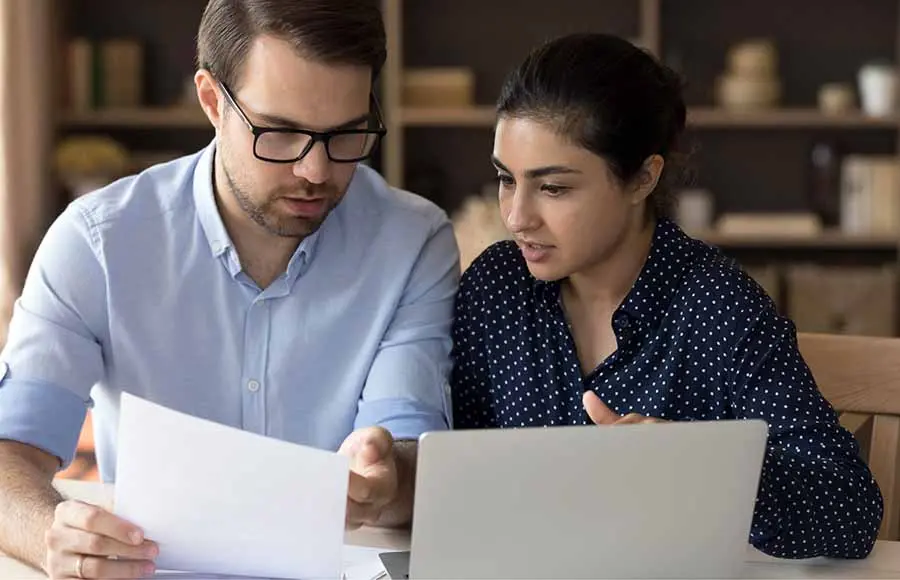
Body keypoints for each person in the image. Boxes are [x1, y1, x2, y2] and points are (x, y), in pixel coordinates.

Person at [0, 1, 459, 578]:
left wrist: (388, 475)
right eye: (282, 132)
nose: (316, 170)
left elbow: (409, 447)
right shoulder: (98, 244)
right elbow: (9, 451)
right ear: (212, 101)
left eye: (345, 135)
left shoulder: (414, 242)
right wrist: (49, 532)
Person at [450, 32, 883, 560]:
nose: (516, 217)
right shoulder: (497, 286)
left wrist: (701, 469)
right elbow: (457, 476)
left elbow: (851, 510)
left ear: (642, 179)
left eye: (554, 187)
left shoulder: (718, 305)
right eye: (505, 179)